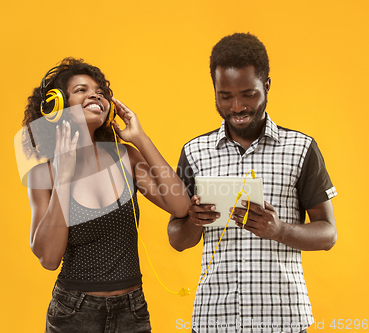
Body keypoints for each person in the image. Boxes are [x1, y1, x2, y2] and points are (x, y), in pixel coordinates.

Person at [167, 33, 337, 333]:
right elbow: (177, 239)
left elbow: (328, 234)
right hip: (214, 319)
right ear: (215, 90)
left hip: (284, 320)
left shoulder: (301, 149)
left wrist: (280, 230)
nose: (237, 107)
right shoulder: (194, 152)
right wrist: (194, 222)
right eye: (225, 96)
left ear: (267, 86)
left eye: (248, 94)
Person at [21, 57, 190, 333]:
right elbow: (49, 259)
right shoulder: (44, 175)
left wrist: (140, 138)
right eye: (81, 90)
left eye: (100, 91)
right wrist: (63, 178)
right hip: (74, 312)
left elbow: (181, 205)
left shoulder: (127, 157)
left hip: (132, 311)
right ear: (57, 106)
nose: (95, 95)